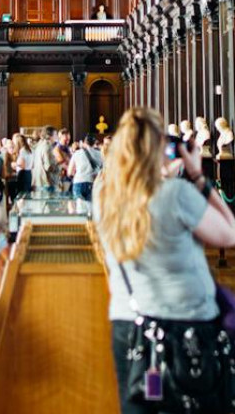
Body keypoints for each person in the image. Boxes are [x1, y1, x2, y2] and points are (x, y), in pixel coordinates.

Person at [94, 108, 235, 414]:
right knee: (190, 403)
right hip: (184, 326)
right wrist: (197, 176)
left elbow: (141, 194)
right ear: (159, 147)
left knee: (146, 402)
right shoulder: (176, 193)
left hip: (130, 326)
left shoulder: (103, 195)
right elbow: (229, 233)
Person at [68, 134, 103, 202]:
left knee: (79, 209)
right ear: (94, 143)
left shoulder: (77, 153)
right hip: (93, 182)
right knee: (92, 208)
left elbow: (70, 172)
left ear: (84, 143)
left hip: (78, 182)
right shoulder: (100, 154)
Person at [31, 126, 58, 192]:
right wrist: (58, 167)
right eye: (55, 134)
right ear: (49, 136)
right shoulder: (48, 146)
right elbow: (48, 166)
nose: (57, 137)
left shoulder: (39, 145)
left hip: (37, 181)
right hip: (46, 182)